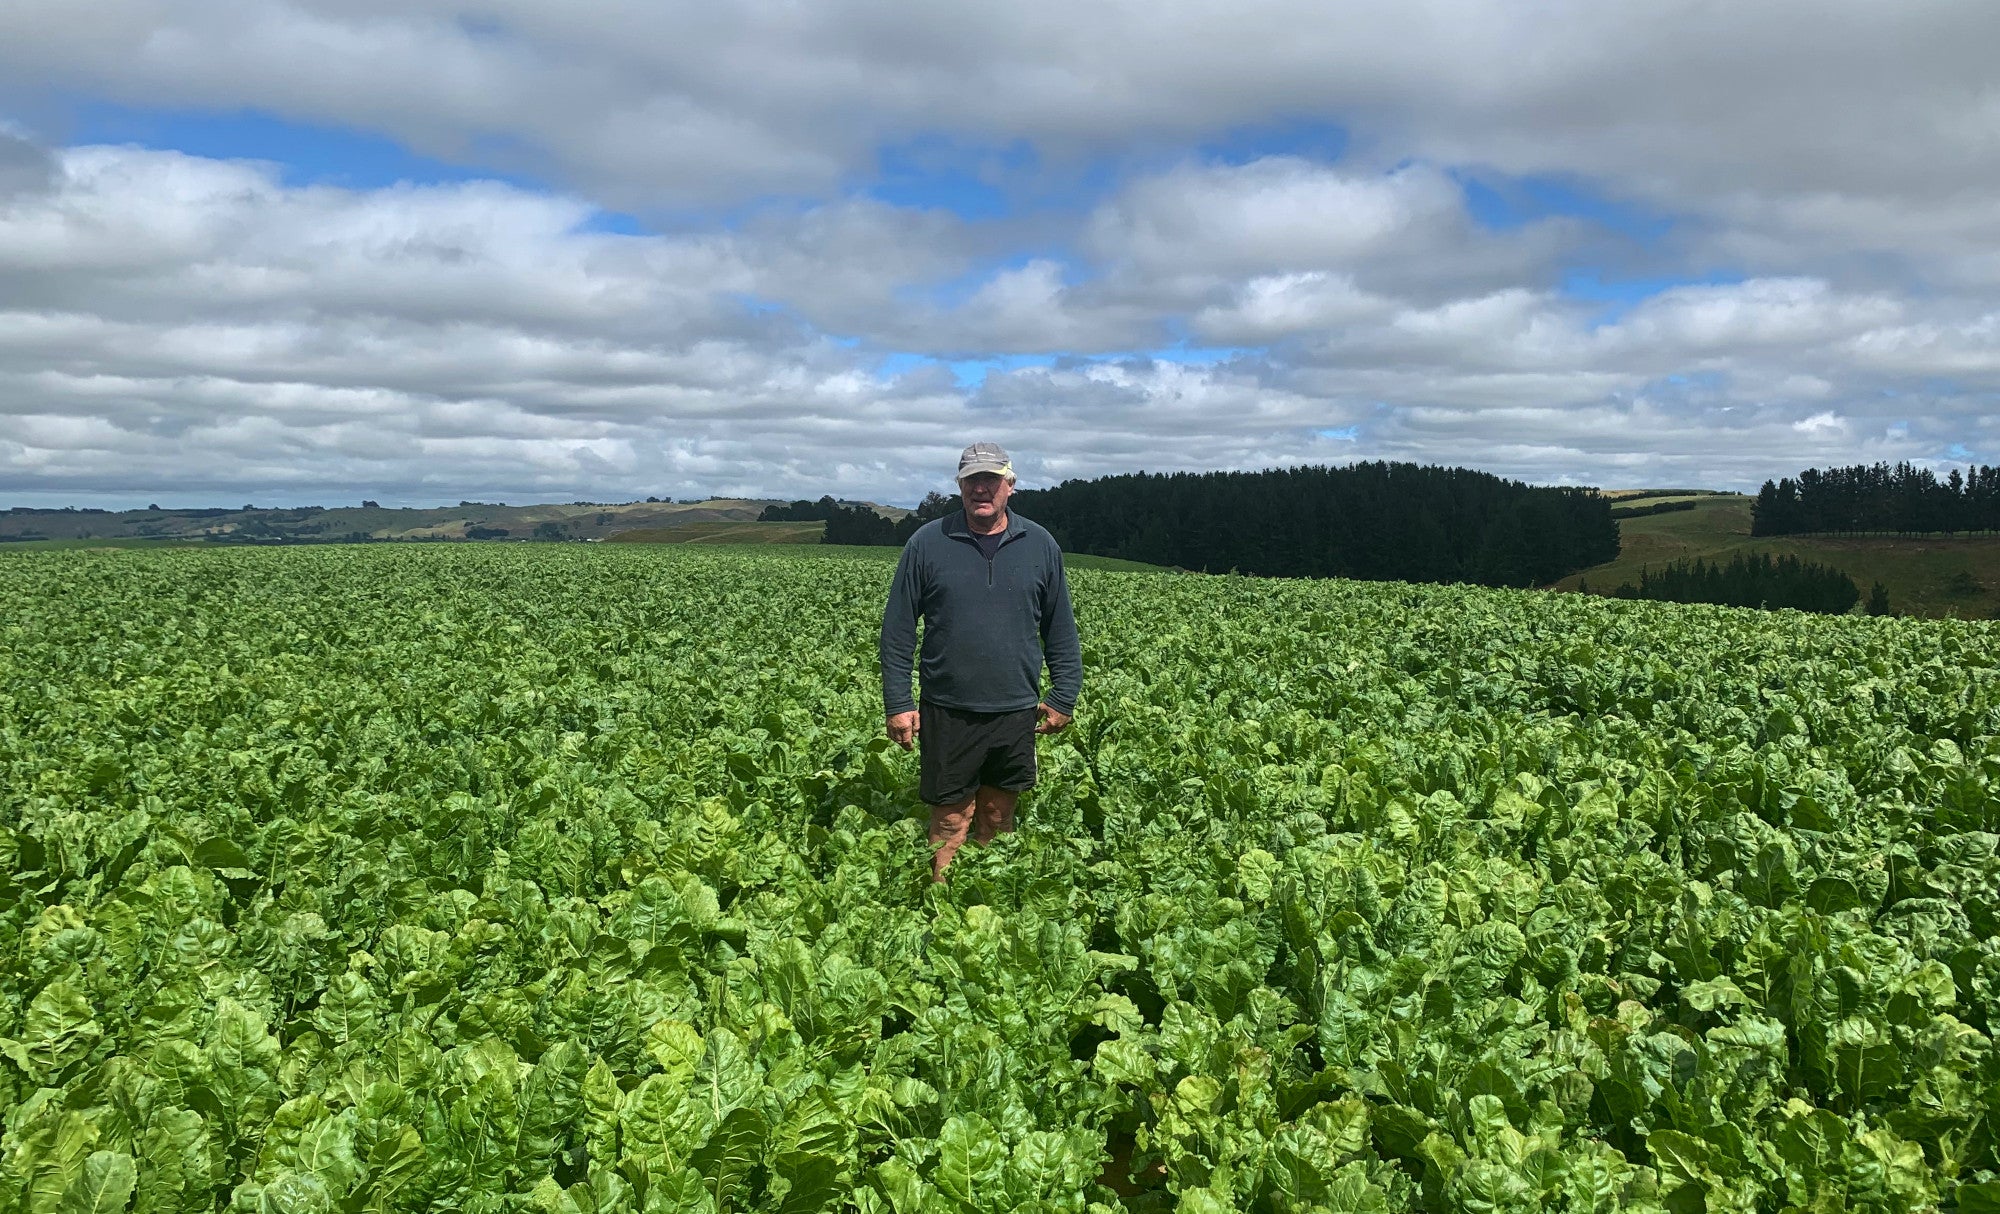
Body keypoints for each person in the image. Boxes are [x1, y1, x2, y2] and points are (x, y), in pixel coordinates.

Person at [879, 442, 1083, 879]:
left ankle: (989, 902)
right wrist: (898, 702)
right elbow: (897, 629)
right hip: (948, 710)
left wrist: (1064, 694)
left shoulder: (1039, 544)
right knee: (950, 820)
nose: (982, 489)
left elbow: (1059, 627)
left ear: (1010, 485)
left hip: (1014, 710)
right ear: (960, 486)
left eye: (991, 479)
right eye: (972, 480)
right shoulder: (928, 543)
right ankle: (940, 904)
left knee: (997, 816)